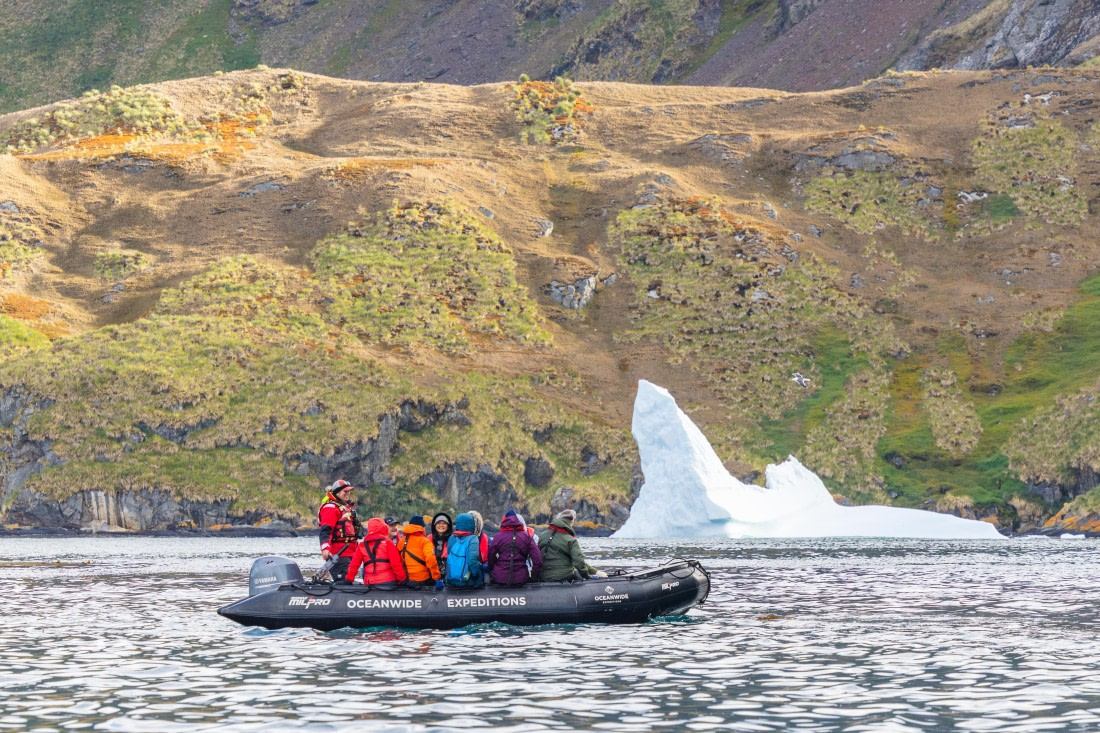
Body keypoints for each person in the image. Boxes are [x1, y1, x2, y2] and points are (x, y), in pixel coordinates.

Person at [537, 509, 603, 582]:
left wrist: (595, 571)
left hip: (545, 577)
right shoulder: (571, 539)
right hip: (565, 576)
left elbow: (537, 557)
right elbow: (578, 562)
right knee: (577, 574)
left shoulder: (542, 536)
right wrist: (587, 576)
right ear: (571, 523)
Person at [317, 479, 361, 582]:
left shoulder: (345, 507)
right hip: (339, 554)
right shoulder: (330, 508)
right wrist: (325, 548)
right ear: (337, 492)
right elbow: (326, 530)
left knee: (348, 581)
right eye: (345, 491)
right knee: (343, 582)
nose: (348, 493)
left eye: (349, 491)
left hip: (350, 552)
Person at [346, 517, 408, 588]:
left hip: (370, 583)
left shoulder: (362, 545)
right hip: (389, 582)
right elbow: (396, 564)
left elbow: (354, 565)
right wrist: (402, 580)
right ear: (384, 527)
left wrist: (349, 579)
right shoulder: (388, 543)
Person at [488, 509, 542, 586]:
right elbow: (538, 560)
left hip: (500, 578)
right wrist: (533, 575)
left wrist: (495, 569)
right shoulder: (526, 537)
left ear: (504, 521)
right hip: (521, 579)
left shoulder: (497, 537)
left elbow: (490, 557)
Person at [443, 512, 487, 588]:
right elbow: (472, 559)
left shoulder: (452, 537)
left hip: (451, 579)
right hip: (466, 580)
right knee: (481, 569)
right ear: (472, 524)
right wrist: (475, 574)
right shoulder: (473, 538)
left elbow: (450, 555)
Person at [397, 516, 442, 588]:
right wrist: (436, 577)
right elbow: (430, 559)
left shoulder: (402, 541)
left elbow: (398, 560)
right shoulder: (425, 541)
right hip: (423, 580)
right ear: (421, 527)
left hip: (407, 581)